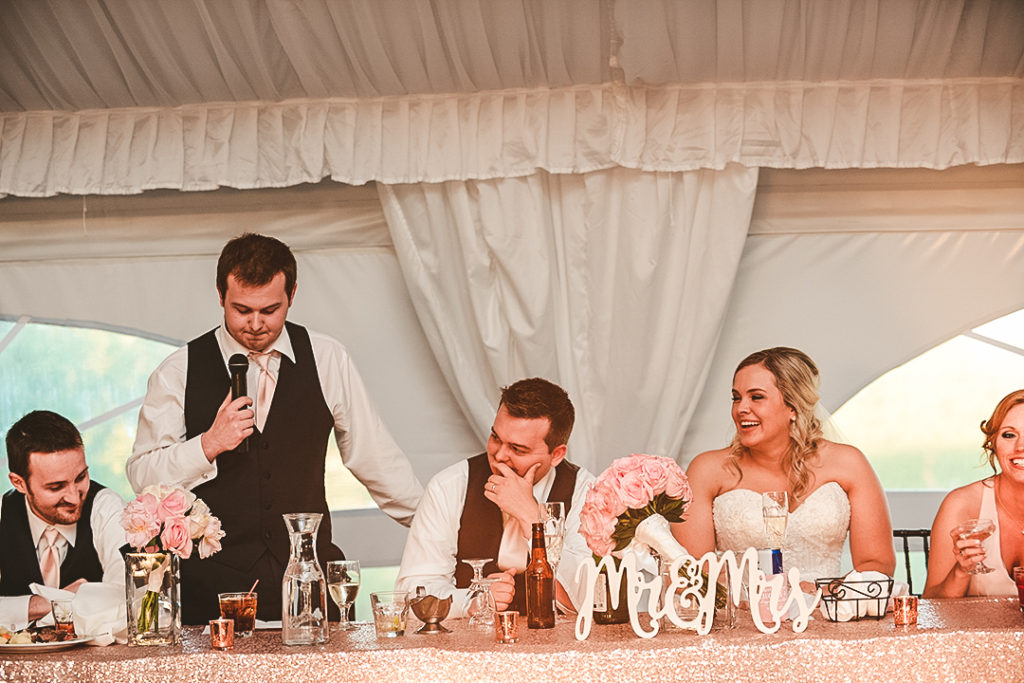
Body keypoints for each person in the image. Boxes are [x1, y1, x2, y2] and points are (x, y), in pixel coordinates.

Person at [127, 233, 424, 624]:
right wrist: (208, 444)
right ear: (220, 295)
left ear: (293, 295)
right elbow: (142, 476)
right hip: (213, 592)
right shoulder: (177, 371)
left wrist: (438, 524)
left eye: (270, 309)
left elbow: (376, 459)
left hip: (308, 584)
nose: (254, 324)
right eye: (241, 309)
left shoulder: (327, 357)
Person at [672, 347, 895, 584]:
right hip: (741, 613)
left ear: (792, 406)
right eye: (736, 397)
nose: (740, 409)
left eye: (756, 397)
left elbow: (877, 563)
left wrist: (822, 595)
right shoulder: (707, 470)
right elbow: (693, 573)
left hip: (830, 611)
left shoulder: (849, 463)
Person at [396, 377, 595, 617]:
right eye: (495, 438)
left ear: (556, 455)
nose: (499, 455)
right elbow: (411, 595)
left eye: (518, 449)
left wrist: (530, 516)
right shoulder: (449, 486)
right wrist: (471, 600)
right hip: (468, 651)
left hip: (563, 651)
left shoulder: (586, 491)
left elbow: (588, 599)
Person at [1, 411, 125, 632]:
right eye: (56, 487)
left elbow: (124, 598)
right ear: (19, 483)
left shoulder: (106, 507)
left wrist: (16, 612)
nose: (74, 497)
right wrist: (43, 604)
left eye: (80, 478)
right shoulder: (3, 513)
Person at [923, 389, 1024, 597]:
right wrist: (961, 571)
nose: (1021, 446)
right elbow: (932, 606)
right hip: (975, 631)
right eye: (1009, 435)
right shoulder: (960, 504)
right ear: (994, 443)